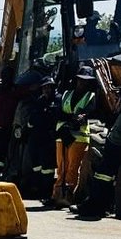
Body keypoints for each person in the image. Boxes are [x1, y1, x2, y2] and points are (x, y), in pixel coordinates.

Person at [72, 66, 121, 219]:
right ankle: (96, 205)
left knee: (104, 174)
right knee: (103, 174)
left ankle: (95, 207)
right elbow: (118, 110)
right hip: (116, 137)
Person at [51, 66, 96, 207]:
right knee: (61, 167)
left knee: (72, 168)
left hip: (79, 138)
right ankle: (56, 196)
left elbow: (86, 114)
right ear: (76, 80)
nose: (83, 83)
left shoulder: (91, 97)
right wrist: (73, 118)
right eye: (81, 80)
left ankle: (69, 196)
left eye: (86, 81)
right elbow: (58, 112)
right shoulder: (66, 95)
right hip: (62, 135)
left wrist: (70, 118)